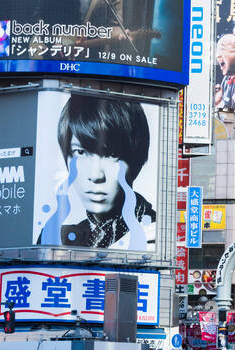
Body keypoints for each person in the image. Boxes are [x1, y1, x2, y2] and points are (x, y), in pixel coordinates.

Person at [37, 95, 156, 250]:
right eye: (80, 152)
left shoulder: (156, 233)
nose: (95, 176)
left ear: (136, 160)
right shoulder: (55, 236)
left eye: (112, 154)